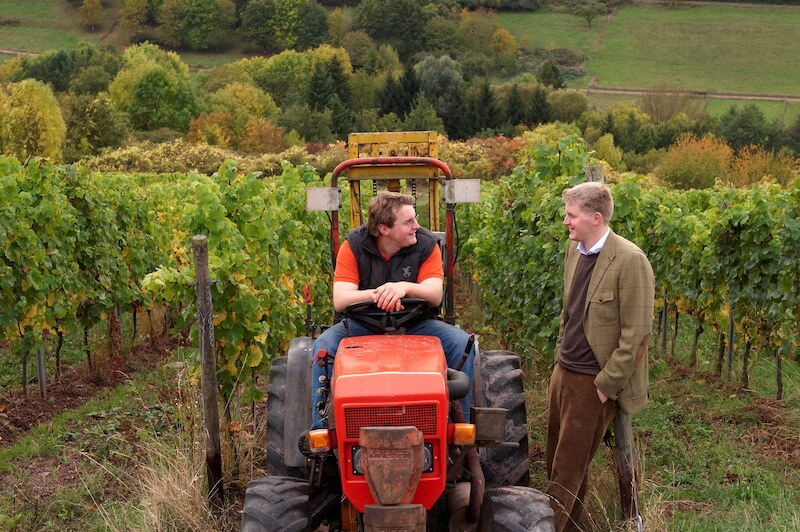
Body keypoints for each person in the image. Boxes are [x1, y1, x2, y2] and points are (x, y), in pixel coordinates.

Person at [310, 192, 475, 430]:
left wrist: (403, 288)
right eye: (409, 222)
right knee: (323, 348)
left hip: (417, 324)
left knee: (462, 344)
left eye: (415, 219)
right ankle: (322, 432)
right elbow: (341, 299)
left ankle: (459, 429)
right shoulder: (353, 246)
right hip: (362, 326)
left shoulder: (427, 245)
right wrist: (379, 293)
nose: (416, 226)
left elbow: (434, 293)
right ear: (384, 229)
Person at [546, 182, 654, 532]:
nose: (566, 221)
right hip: (564, 372)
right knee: (555, 461)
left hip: (593, 382)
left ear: (596, 218)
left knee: (566, 470)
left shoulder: (630, 260)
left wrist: (606, 387)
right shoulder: (575, 251)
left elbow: (637, 335)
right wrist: (560, 358)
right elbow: (570, 312)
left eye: (571, 215)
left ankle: (550, 527)